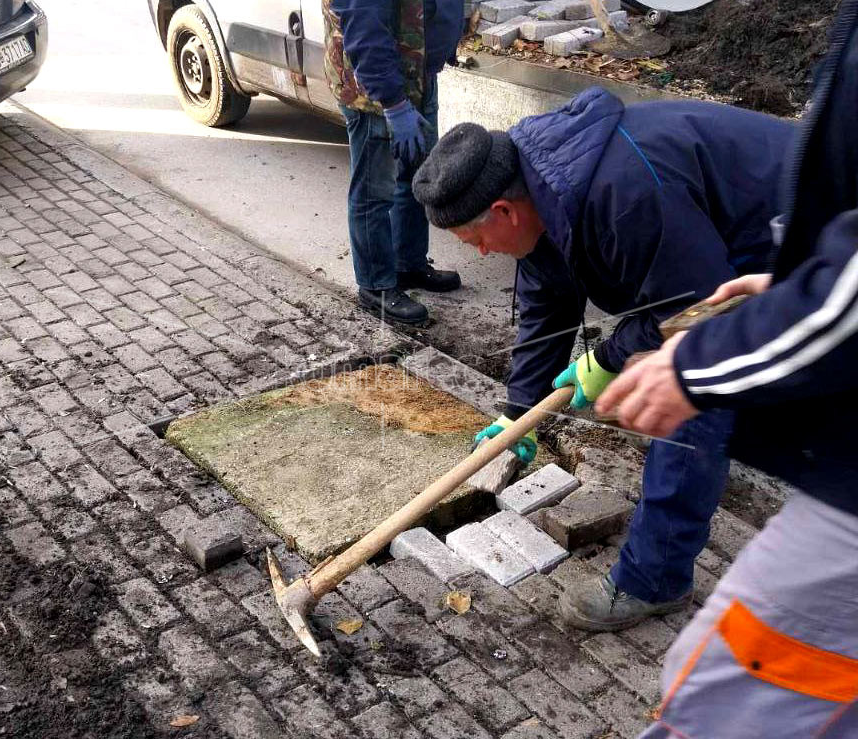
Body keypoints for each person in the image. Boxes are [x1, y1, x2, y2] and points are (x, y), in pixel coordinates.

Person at [411, 88, 794, 630]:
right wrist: (517, 412)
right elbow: (548, 296)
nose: (479, 253)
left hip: (797, 222)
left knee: (691, 391)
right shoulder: (542, 189)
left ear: (503, 210)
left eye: (474, 238)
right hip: (716, 244)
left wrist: (610, 356)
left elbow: (695, 305)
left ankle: (655, 580)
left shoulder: (622, 193)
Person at [595, 2, 858, 734]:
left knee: (719, 697)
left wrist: (699, 366)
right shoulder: (566, 175)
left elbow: (684, 294)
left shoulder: (618, 190)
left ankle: (654, 577)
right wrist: (798, 284)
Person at [323, 0, 465, 325]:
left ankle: (408, 264)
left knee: (418, 177)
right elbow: (363, 21)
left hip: (419, 72)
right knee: (375, 192)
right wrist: (393, 103)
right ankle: (375, 285)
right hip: (375, 90)